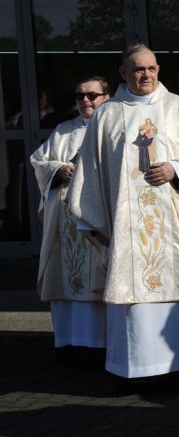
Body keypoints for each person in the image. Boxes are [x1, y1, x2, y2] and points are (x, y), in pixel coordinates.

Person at [68, 44, 179, 384]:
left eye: (152, 68)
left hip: (176, 223)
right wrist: (93, 220)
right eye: (138, 69)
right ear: (123, 72)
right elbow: (90, 171)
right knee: (133, 296)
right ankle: (137, 369)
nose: (147, 75)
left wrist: (177, 169)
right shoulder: (107, 115)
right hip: (127, 231)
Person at [30, 76, 110, 362]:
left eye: (92, 95)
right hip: (65, 223)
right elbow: (39, 160)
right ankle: (70, 343)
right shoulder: (64, 131)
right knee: (67, 279)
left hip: (97, 222)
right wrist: (57, 169)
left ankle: (102, 344)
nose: (86, 101)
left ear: (107, 96)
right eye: (80, 96)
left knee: (99, 279)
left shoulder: (114, 127)